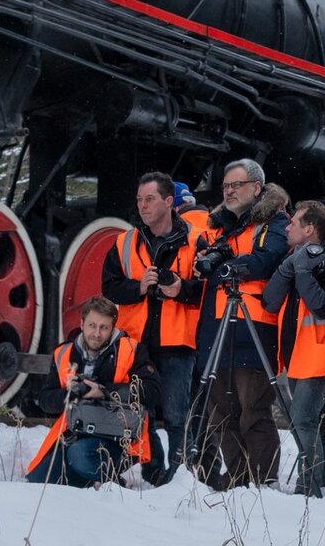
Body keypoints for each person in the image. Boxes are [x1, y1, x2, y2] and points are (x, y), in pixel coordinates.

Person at [100, 171, 205, 486]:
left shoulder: (196, 239)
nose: (142, 205)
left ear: (169, 202)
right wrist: (139, 288)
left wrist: (181, 289)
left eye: (149, 199)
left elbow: (208, 290)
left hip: (178, 343)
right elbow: (109, 287)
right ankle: (154, 467)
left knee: (176, 415)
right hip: (138, 344)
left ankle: (179, 477)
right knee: (140, 411)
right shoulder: (125, 241)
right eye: (139, 199)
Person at [194, 158, 290, 488]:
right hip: (218, 328)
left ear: (256, 188)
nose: (229, 191)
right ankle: (237, 476)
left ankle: (265, 479)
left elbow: (266, 260)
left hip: (254, 328)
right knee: (221, 412)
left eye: (236, 185)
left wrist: (225, 267)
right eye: (225, 186)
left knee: (254, 409)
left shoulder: (273, 223)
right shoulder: (220, 228)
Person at [27, 296, 161, 487]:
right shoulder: (64, 353)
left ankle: (114, 487)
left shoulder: (132, 350)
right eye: (92, 325)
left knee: (79, 455)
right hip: (75, 433)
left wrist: (105, 392)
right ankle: (88, 480)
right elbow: (45, 400)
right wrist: (69, 394)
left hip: (119, 438)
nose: (96, 333)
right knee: (39, 480)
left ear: (113, 327)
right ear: (81, 324)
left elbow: (153, 392)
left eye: (104, 327)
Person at [261, 200, 325, 496]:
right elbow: (269, 301)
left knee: (302, 421)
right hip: (297, 354)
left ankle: (308, 486)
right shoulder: (297, 259)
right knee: (318, 420)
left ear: (309, 229)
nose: (287, 227)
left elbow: (323, 306)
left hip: (319, 353)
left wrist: (304, 272)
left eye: (293, 223)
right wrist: (289, 269)